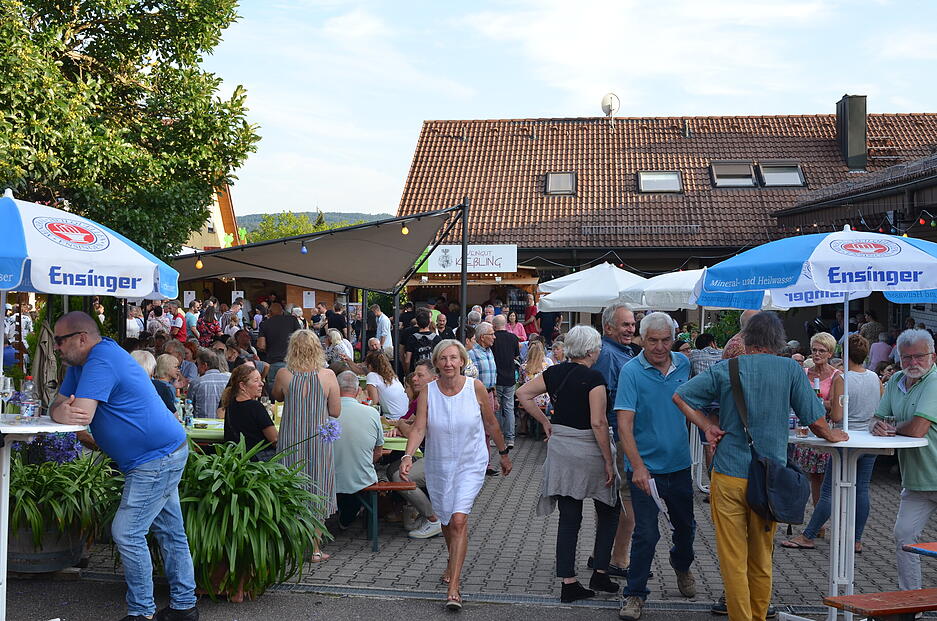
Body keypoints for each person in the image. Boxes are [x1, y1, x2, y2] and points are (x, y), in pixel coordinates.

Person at [673, 311, 846, 621]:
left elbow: (680, 396)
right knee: (762, 557)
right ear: (777, 342)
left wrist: (707, 425)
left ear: (747, 339)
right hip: (770, 479)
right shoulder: (790, 370)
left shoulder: (727, 368)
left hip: (728, 473)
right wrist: (833, 434)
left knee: (733, 558)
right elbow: (816, 422)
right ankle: (758, 615)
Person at [50, 312, 197, 621]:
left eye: (60, 341)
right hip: (158, 453)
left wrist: (63, 412)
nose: (56, 349)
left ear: (81, 338)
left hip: (155, 457)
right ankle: (184, 608)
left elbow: (81, 414)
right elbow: (58, 404)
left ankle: (142, 612)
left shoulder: (101, 360)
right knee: (171, 532)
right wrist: (59, 411)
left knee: (128, 532)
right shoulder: (82, 363)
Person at [400, 339, 512, 610]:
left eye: (453, 358)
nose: (449, 363)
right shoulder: (428, 391)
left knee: (459, 520)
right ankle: (451, 564)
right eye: (443, 359)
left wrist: (503, 452)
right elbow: (419, 427)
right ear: (437, 363)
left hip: (470, 463)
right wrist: (407, 455)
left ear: (462, 360)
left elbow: (490, 422)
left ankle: (454, 588)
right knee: (448, 521)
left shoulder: (475, 388)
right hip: (438, 464)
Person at [516, 326, 620, 603]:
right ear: (590, 350)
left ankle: (569, 582)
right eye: (597, 347)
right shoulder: (595, 378)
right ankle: (600, 571)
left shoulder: (554, 373)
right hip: (589, 449)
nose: (599, 352)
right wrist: (609, 461)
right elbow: (598, 422)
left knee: (570, 516)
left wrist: (545, 422)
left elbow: (523, 394)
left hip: (562, 450)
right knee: (609, 510)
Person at [615, 313, 696, 620]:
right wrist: (636, 466)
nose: (660, 347)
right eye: (653, 340)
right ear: (641, 339)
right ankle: (635, 595)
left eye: (665, 340)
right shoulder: (632, 371)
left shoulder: (684, 365)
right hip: (645, 469)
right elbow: (624, 424)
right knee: (646, 534)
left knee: (686, 529)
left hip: (678, 465)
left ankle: (681, 564)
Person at [783, 334, 882, 552]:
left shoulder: (842, 379)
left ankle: (809, 535)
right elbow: (880, 407)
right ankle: (856, 538)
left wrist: (821, 404)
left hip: (847, 438)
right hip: (869, 438)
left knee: (828, 490)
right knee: (862, 490)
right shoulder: (875, 377)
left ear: (844, 355)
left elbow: (837, 416)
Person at [871, 329, 937, 591]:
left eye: (919, 356)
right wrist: (878, 426)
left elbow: (919, 427)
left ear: (933, 356)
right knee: (904, 536)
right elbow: (878, 418)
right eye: (906, 357)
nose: (912, 363)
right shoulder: (896, 380)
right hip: (916, 480)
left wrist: (891, 426)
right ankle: (911, 602)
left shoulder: (935, 382)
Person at [272, 330, 342, 561]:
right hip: (318, 439)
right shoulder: (328, 375)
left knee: (291, 488)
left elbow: (277, 396)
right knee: (317, 488)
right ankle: (315, 549)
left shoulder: (283, 374)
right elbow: (335, 411)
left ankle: (290, 546)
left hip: (291, 439)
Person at [592, 302, 641, 578]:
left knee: (611, 501)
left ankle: (602, 554)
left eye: (632, 324)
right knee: (627, 500)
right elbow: (605, 398)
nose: (630, 329)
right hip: (619, 435)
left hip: (618, 434)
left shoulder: (620, 351)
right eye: (625, 324)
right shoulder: (609, 355)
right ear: (608, 327)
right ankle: (619, 560)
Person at [329, 370, 385, 528]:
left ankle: (344, 513)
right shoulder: (372, 413)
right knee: (359, 470)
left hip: (328, 477)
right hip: (361, 478)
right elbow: (378, 452)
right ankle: (350, 514)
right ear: (359, 391)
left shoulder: (325, 413)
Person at [792, 332, 841, 507]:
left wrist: (816, 402)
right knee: (812, 475)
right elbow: (796, 399)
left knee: (825, 475)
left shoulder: (836, 375)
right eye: (814, 350)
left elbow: (836, 405)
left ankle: (824, 515)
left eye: (822, 350)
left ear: (830, 353)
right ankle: (816, 517)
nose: (817, 354)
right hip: (806, 427)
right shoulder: (804, 372)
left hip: (826, 427)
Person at [221, 365, 277, 461]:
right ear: (242, 385)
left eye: (261, 380)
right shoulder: (256, 407)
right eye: (256, 381)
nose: (262, 384)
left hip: (237, 462)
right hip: (259, 465)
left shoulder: (230, 405)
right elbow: (275, 439)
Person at [491, 314, 521, 449]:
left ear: (494, 326)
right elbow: (516, 356)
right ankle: (510, 439)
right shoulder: (513, 338)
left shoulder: (493, 339)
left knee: (496, 408)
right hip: (510, 377)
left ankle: (497, 437)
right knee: (509, 407)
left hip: (497, 377)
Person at [257, 302, 301, 385]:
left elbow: (261, 345)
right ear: (282, 311)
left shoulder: (264, 324)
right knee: (293, 389)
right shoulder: (292, 320)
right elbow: (301, 339)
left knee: (273, 391)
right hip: (292, 362)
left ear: (269, 312)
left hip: (273, 362)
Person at [518, 341, 552, 436]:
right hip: (544, 399)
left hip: (529, 398)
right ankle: (541, 428)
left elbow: (521, 382)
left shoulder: (524, 367)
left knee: (521, 405)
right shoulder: (546, 367)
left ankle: (523, 428)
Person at [364, 350, 408, 420]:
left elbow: (374, 402)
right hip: (405, 415)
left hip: (392, 418)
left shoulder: (372, 376)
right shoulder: (393, 376)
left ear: (369, 365)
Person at [189, 347, 230, 419]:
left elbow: (189, 405)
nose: (197, 369)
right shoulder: (229, 380)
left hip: (201, 426)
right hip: (224, 425)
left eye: (198, 365)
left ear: (205, 365)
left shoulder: (197, 382)